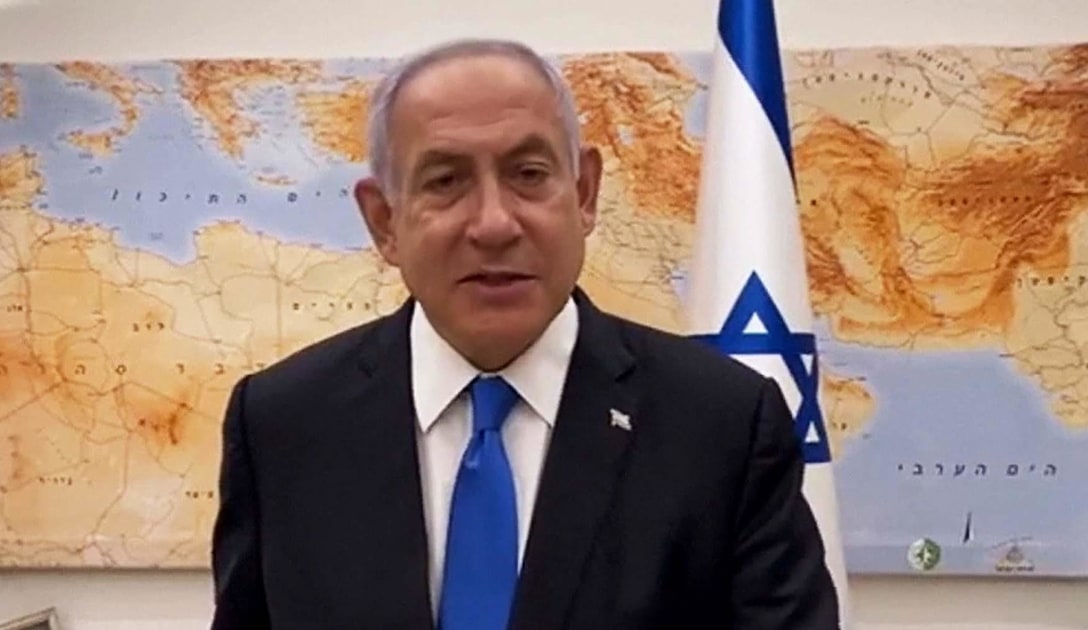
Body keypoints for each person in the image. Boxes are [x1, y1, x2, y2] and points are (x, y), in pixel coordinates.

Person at [209, 37, 839, 630]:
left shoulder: (723, 425)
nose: (494, 224)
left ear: (584, 193)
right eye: (445, 181)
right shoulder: (282, 426)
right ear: (384, 221)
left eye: (529, 174)